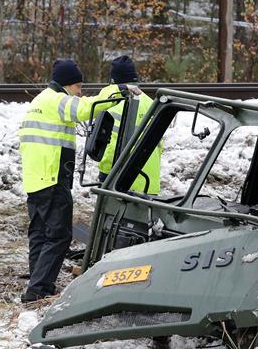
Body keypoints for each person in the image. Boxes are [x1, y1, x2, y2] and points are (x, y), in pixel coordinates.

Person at [18, 59, 132, 302]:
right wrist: (116, 90)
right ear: (67, 84)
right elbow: (85, 109)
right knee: (59, 235)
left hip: (35, 179)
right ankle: (38, 289)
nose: (80, 92)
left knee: (39, 233)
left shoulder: (39, 101)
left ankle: (37, 284)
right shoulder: (57, 100)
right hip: (52, 177)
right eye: (78, 86)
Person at [98, 55, 162, 195]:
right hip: (149, 184)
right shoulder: (152, 104)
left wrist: (104, 174)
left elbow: (111, 146)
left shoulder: (115, 103)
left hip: (122, 183)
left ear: (114, 82)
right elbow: (159, 145)